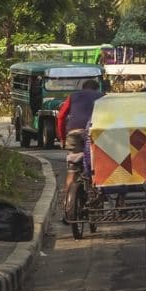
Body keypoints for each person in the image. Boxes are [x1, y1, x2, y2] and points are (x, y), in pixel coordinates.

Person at [57, 79, 104, 223]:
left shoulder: (73, 96)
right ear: (96, 89)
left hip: (74, 133)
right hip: (94, 133)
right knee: (98, 165)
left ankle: (67, 207)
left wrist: (62, 137)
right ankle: (97, 196)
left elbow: (61, 116)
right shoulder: (102, 96)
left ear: (82, 88)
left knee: (72, 169)